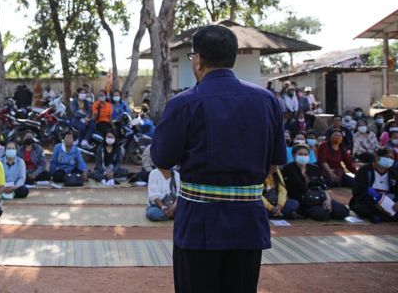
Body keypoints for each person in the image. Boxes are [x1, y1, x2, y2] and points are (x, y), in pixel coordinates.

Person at [150, 25, 287, 293]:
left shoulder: (184, 103)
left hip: (199, 223)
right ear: (233, 57)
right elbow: (274, 163)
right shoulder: (267, 100)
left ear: (198, 59)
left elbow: (162, 160)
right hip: (247, 221)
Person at [282, 144, 350, 221]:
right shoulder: (287, 169)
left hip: (320, 197)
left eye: (305, 154)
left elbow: (324, 187)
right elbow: (284, 188)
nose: (303, 156)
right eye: (300, 154)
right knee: (323, 215)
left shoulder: (314, 168)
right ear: (294, 155)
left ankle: (327, 209)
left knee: (344, 212)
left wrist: (328, 200)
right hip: (304, 202)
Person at [350, 148, 398, 223]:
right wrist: (376, 205)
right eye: (386, 157)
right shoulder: (365, 170)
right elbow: (358, 191)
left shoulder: (394, 173)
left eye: (391, 158)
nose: (389, 160)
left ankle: (379, 217)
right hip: (369, 202)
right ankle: (383, 216)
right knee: (361, 208)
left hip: (389, 203)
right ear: (377, 157)